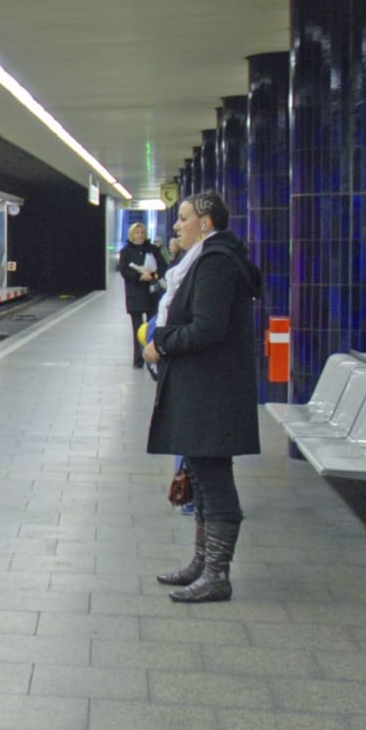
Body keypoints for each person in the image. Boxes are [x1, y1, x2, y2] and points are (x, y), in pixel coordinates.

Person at [143, 191, 261, 602]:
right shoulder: (203, 260)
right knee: (200, 475)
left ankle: (217, 575)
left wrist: (163, 342)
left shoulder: (215, 264)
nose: (177, 226)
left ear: (206, 222)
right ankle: (201, 563)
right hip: (202, 387)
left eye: (184, 218)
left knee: (214, 478)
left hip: (211, 391)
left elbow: (209, 328)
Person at [117, 221, 164, 369]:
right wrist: (138, 277)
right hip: (135, 295)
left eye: (142, 232)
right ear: (132, 235)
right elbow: (124, 271)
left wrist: (153, 275)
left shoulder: (153, 250)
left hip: (151, 294)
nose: (140, 235)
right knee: (137, 328)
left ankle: (153, 358)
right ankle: (138, 360)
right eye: (137, 233)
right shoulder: (125, 251)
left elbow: (163, 266)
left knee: (151, 327)